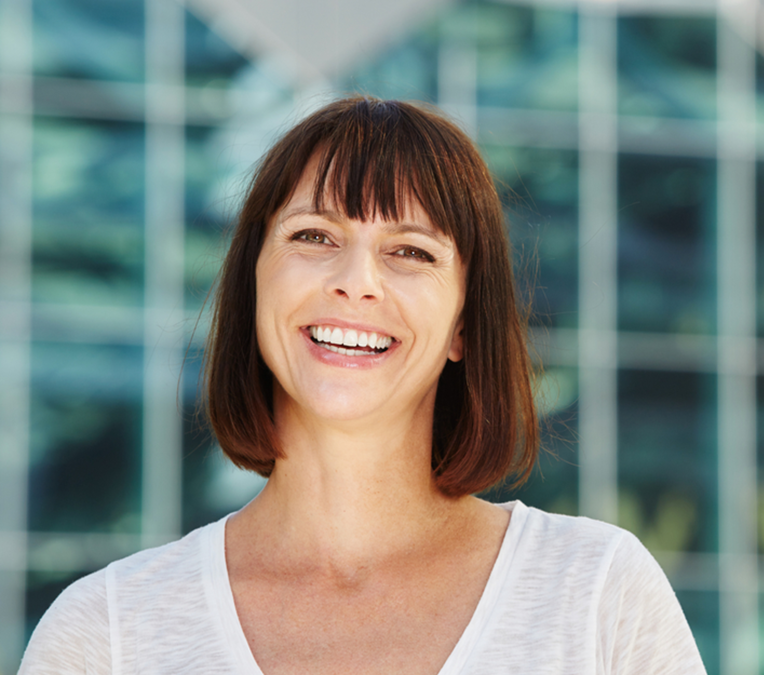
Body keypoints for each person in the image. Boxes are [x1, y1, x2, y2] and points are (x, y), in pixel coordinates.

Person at [19, 96, 707, 674]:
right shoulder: (106, 634)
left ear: (465, 323)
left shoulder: (596, 596)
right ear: (253, 284)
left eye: (411, 251)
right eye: (315, 235)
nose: (357, 280)